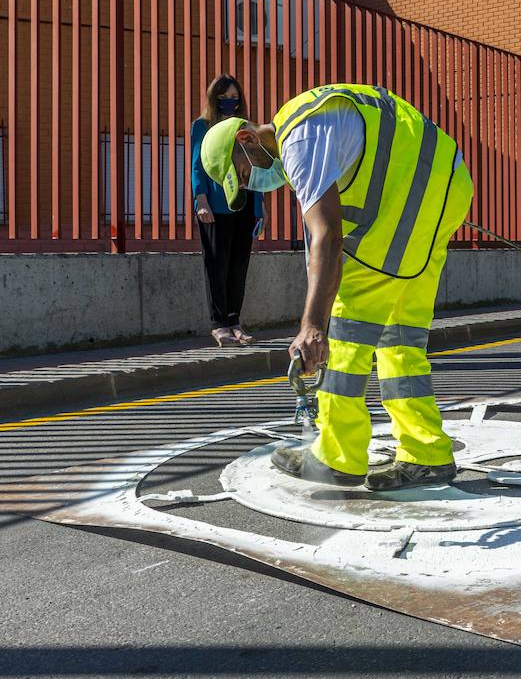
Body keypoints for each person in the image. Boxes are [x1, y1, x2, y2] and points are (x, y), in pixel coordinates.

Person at [199, 83, 473, 492]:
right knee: (402, 335)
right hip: (446, 183)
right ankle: (426, 453)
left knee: (346, 329)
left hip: (404, 198)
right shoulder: (313, 117)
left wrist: (312, 325)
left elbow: (327, 237)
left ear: (247, 138)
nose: (255, 181)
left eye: (244, 172)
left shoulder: (300, 140)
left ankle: (337, 456)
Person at [190, 74, 265, 347]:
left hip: (244, 205)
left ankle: (235, 322)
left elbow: (256, 167)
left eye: (234, 97)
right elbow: (197, 165)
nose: (229, 102)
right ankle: (218, 324)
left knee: (238, 266)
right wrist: (201, 200)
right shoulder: (202, 126)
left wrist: (260, 208)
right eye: (223, 98)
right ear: (213, 99)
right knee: (216, 265)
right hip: (214, 206)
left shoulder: (247, 128)